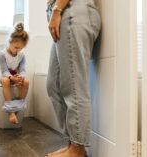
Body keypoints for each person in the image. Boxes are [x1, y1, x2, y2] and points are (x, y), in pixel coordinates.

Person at [45, 0, 101, 156]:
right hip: (64, 12)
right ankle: (72, 143)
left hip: (72, 11)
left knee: (74, 88)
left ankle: (77, 149)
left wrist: (57, 9)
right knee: (53, 85)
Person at [0, 22, 30, 124]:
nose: (18, 50)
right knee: (5, 80)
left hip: (16, 77)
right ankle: (11, 111)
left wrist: (20, 77)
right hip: (7, 77)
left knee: (26, 82)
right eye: (16, 47)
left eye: (21, 48)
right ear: (10, 41)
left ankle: (18, 107)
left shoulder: (21, 55)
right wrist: (12, 78)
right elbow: (4, 71)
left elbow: (23, 70)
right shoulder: (2, 54)